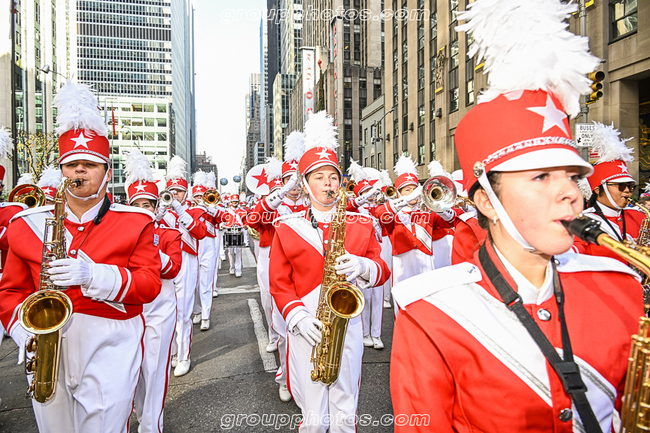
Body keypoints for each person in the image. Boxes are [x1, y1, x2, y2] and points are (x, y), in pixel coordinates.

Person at [390, 1, 644, 432]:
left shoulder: (621, 287)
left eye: (572, 176)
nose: (571, 193)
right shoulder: (430, 314)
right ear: (488, 202)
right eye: (541, 176)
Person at [0, 81, 161, 433]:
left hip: (111, 339)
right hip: (45, 344)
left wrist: (94, 276)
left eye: (90, 164)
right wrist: (23, 332)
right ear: (62, 170)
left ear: (107, 173)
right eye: (72, 164)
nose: (80, 171)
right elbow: (10, 291)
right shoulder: (25, 225)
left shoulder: (136, 221)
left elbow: (149, 284)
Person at [270, 111, 389, 432]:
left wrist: (363, 266)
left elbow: (382, 271)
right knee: (312, 414)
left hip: (348, 324)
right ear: (305, 185)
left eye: (333, 177)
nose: (328, 183)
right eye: (319, 177)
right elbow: (279, 282)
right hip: (306, 325)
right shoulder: (287, 226)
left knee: (345, 408)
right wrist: (297, 317)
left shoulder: (362, 224)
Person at [125, 149, 182, 433]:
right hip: (128, 312)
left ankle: (151, 426)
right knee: (130, 371)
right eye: (137, 204)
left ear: (156, 206)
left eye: (148, 204)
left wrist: (147, 249)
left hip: (160, 310)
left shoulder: (169, 233)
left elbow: (173, 269)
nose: (143, 209)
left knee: (155, 370)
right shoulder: (119, 233)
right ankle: (137, 415)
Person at [159, 155, 210, 376]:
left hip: (186, 263)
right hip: (165, 263)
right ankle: (172, 351)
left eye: (179, 191)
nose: (175, 195)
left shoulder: (195, 210)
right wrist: (160, 211)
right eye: (172, 191)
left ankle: (183, 356)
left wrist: (180, 210)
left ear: (185, 192)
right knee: (165, 312)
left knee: (182, 313)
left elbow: (200, 232)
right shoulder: (161, 211)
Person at [572, 122, 646, 262]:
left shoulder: (640, 217)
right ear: (598, 189)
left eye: (630, 186)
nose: (627, 191)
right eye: (621, 186)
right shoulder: (582, 222)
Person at [347, 159, 385, 350]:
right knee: (364, 295)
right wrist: (363, 198)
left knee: (377, 295)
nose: (370, 196)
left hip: (379, 251)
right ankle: (364, 332)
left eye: (371, 192)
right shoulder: (354, 208)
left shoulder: (378, 207)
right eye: (365, 193)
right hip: (362, 253)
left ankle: (376, 334)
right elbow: (348, 208)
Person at [189, 170, 218, 331]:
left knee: (206, 283)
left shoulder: (212, 209)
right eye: (197, 196)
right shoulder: (188, 211)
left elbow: (223, 219)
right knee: (194, 284)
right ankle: (197, 311)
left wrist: (211, 208)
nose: (200, 199)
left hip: (208, 247)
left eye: (202, 196)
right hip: (193, 248)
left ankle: (206, 315)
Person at [223, 193, 247, 277]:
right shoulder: (226, 211)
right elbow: (223, 220)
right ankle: (232, 267)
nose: (235, 203)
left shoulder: (242, 211)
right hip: (229, 231)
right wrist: (223, 225)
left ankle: (238, 269)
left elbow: (245, 221)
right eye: (233, 201)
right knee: (231, 252)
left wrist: (245, 225)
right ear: (231, 202)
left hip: (239, 231)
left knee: (238, 252)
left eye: (236, 201)